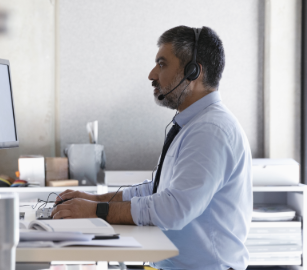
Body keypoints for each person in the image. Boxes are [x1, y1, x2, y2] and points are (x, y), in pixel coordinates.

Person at [51, 26, 253, 270]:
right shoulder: (193, 125)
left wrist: (97, 210)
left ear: (193, 72)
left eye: (162, 64)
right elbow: (158, 190)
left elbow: (174, 210)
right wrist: (94, 198)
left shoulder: (210, 130)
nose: (151, 74)